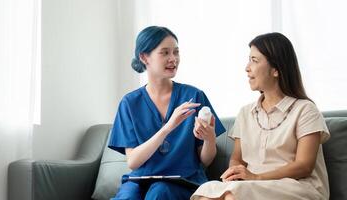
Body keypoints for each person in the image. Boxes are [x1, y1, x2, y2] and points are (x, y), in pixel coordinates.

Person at [191, 32, 330, 200]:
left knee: (231, 195)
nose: (247, 67)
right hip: (253, 186)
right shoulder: (245, 113)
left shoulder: (306, 110)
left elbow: (304, 166)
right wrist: (236, 172)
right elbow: (237, 159)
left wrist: (256, 177)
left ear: (276, 70)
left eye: (254, 60)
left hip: (296, 186)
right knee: (207, 191)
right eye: (249, 59)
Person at [108, 26, 226, 200]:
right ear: (144, 57)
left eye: (176, 52)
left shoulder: (194, 96)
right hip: (139, 180)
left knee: (159, 192)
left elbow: (205, 161)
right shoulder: (130, 103)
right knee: (127, 197)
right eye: (165, 53)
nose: (173, 59)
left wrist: (209, 139)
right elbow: (133, 162)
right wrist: (168, 127)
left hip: (185, 181)